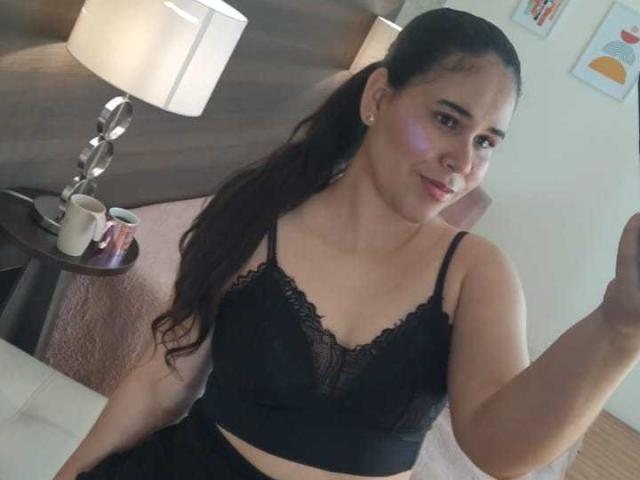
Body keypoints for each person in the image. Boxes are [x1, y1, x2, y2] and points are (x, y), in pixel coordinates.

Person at [55, 7, 640, 480]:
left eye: (487, 142)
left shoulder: (475, 273)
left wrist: (620, 327)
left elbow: (500, 449)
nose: (463, 161)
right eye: (448, 120)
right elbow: (161, 381)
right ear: (379, 98)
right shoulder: (256, 215)